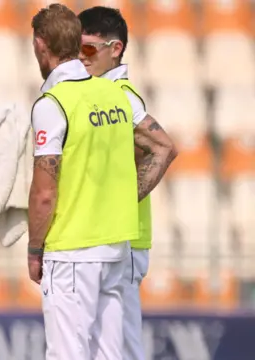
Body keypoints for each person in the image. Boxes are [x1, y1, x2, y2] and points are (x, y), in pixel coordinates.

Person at [26, 4, 139, 360]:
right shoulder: (115, 95)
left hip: (73, 248)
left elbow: (45, 193)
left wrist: (34, 249)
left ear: (41, 45)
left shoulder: (54, 102)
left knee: (67, 354)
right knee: (109, 353)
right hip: (115, 247)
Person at [78, 6, 178, 360]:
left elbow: (164, 148)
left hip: (125, 240)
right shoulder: (98, 91)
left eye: (88, 48)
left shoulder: (121, 94)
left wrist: (122, 204)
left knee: (120, 346)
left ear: (115, 48)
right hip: (110, 239)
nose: (80, 56)